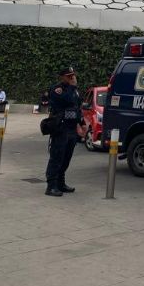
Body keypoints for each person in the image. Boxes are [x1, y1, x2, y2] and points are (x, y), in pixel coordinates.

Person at [44, 67, 87, 197]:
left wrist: (82, 123)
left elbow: (77, 107)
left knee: (66, 158)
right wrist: (73, 87)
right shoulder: (57, 90)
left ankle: (60, 183)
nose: (72, 78)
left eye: (73, 76)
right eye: (69, 76)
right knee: (56, 157)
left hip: (71, 128)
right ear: (62, 77)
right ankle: (51, 186)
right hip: (60, 128)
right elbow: (66, 101)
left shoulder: (74, 91)